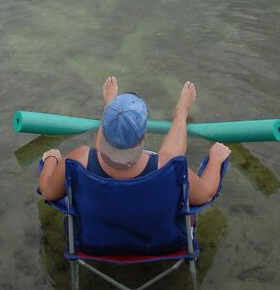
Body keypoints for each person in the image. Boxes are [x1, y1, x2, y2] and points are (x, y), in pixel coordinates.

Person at [38, 77, 230, 205]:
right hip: (157, 244)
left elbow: (47, 191)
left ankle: (111, 110)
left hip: (96, 242)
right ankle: (181, 113)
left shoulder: (78, 160)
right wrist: (215, 159)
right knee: (168, 159)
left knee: (95, 160)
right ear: (144, 134)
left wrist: (51, 159)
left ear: (104, 128)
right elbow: (205, 194)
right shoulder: (169, 167)